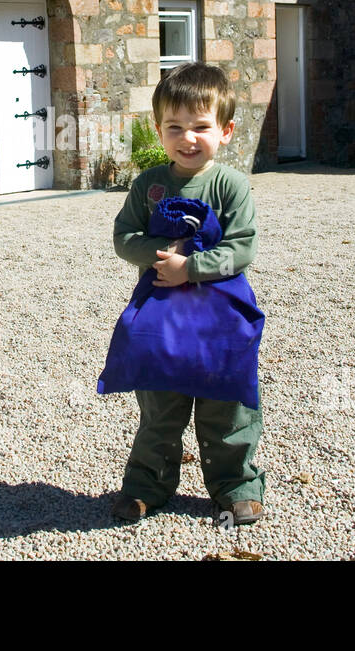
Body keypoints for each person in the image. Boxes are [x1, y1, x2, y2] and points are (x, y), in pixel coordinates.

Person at [109, 62, 265, 525]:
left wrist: (191, 268)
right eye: (174, 127)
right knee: (159, 406)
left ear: (226, 130)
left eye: (201, 126)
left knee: (227, 405)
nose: (187, 138)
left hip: (221, 319)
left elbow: (242, 246)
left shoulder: (231, 185)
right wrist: (163, 255)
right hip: (162, 319)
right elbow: (123, 238)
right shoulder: (149, 186)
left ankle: (236, 486)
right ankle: (145, 487)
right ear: (158, 130)